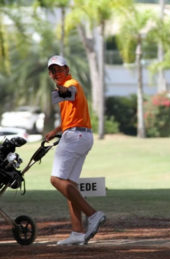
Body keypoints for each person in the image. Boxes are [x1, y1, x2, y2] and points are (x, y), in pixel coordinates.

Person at [45, 55, 106, 245]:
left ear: (67, 69)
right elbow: (68, 120)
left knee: (56, 180)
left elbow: (69, 91)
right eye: (53, 70)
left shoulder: (72, 84)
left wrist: (63, 89)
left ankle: (93, 215)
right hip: (83, 136)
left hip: (74, 138)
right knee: (69, 185)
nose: (56, 73)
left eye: (59, 69)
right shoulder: (67, 89)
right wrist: (54, 132)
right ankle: (77, 233)